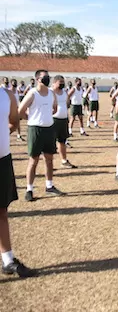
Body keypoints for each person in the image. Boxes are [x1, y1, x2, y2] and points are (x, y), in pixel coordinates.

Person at [0, 84, 36, 277]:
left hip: (2, 161)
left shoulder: (7, 96)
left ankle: (7, 260)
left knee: (2, 211)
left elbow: (14, 122)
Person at [18, 70, 64, 202]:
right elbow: (20, 110)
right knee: (34, 160)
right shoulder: (32, 93)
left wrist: (47, 115)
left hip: (49, 128)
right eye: (45, 77)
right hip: (35, 130)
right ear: (38, 79)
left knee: (49, 159)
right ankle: (29, 189)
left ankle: (49, 186)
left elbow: (55, 108)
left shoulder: (51, 93)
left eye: (48, 77)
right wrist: (31, 119)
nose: (47, 79)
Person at [52, 75, 76, 169]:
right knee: (51, 142)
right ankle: (50, 163)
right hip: (53, 120)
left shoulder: (64, 92)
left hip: (63, 119)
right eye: (60, 82)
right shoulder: (50, 92)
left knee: (62, 141)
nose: (62, 84)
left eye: (63, 82)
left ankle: (64, 161)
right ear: (54, 83)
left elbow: (66, 104)